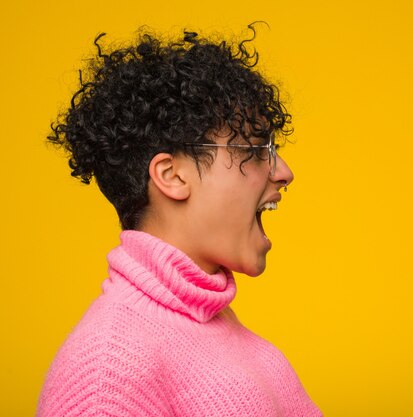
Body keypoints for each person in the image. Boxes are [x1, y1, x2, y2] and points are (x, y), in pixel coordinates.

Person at [37, 25, 322, 417]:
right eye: (256, 150)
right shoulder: (106, 374)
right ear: (172, 176)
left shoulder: (225, 332)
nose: (284, 172)